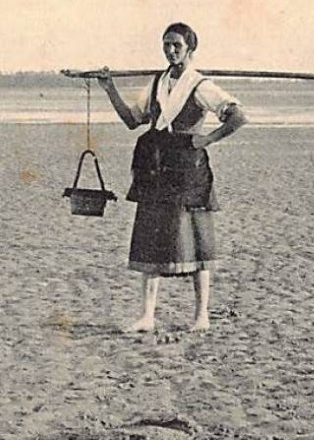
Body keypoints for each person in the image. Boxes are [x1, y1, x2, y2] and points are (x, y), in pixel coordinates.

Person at [98, 23, 248, 332]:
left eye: (176, 45)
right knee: (151, 238)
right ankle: (147, 317)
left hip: (188, 170)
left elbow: (238, 116)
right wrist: (109, 88)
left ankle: (201, 316)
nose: (170, 50)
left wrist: (207, 139)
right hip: (155, 166)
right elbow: (132, 120)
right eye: (166, 45)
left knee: (196, 241)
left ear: (190, 49)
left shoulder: (200, 85)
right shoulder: (157, 83)